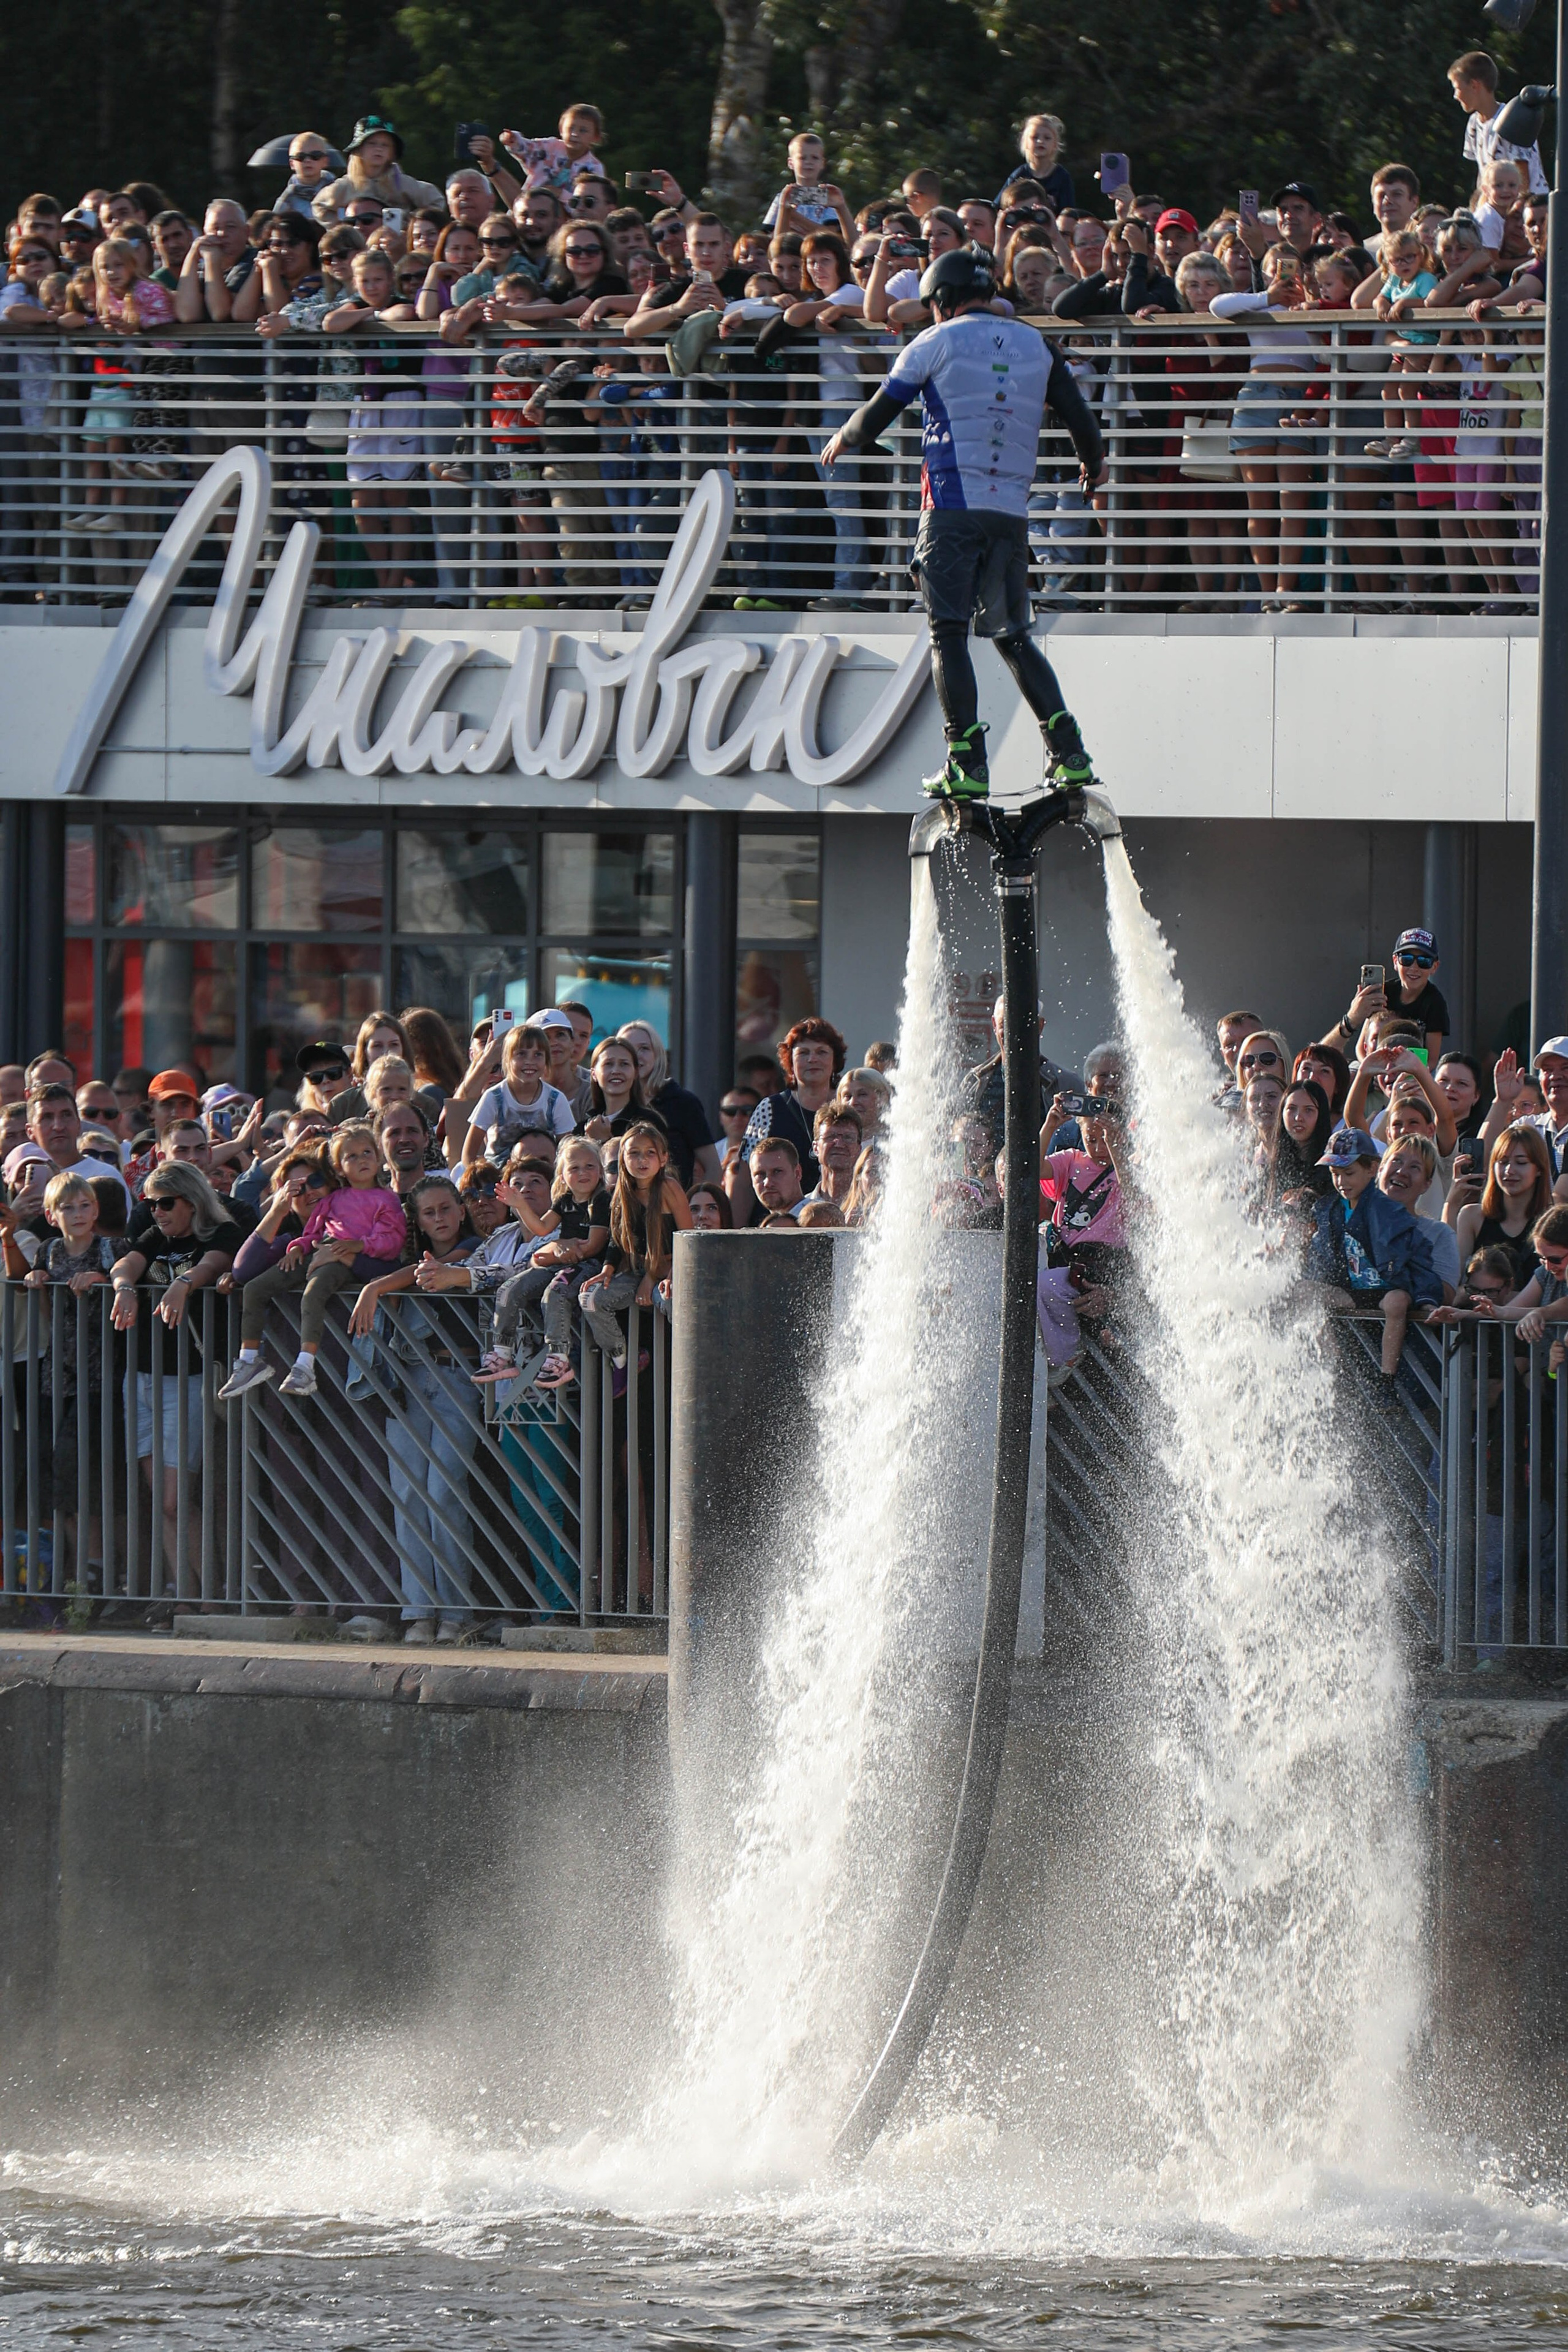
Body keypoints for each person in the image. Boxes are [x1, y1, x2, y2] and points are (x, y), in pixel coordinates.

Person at [821, 244, 1105, 799]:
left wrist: (843, 437)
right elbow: (1082, 421)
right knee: (1014, 637)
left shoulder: (935, 340)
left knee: (948, 633)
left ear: (942, 301)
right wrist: (1092, 469)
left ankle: (965, 761)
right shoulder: (1037, 344)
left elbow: (875, 416)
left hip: (950, 511)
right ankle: (1069, 754)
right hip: (1009, 515)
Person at [347, 1173, 483, 1643]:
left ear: (461, 1210)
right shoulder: (408, 1258)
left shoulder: (475, 1247)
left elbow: (436, 1271)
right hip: (409, 1379)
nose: (440, 1218)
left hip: (459, 1379)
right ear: (419, 1221)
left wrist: (376, 1288)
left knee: (444, 1491)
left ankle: (456, 1613)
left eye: (447, 1208)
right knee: (408, 1494)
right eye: (430, 1212)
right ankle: (419, 1611)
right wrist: (373, 1285)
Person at [108, 1163, 244, 1581]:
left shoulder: (220, 1233)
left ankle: (210, 1593)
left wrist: (184, 1283)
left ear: (191, 1201)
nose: (157, 1212)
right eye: (150, 1204)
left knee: (175, 1499)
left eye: (166, 1203)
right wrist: (125, 1288)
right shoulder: (156, 1236)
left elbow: (216, 1263)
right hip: (143, 1377)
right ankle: (184, 1591)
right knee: (161, 1500)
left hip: (190, 1377)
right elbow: (124, 1265)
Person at [218, 1122, 406, 1399]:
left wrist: (357, 1246)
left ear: (379, 1159)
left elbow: (392, 1241)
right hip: (319, 1252)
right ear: (340, 1168)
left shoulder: (387, 1199)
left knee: (313, 1292)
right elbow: (313, 1233)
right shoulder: (334, 1200)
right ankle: (249, 1360)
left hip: (345, 1259)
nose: (361, 1160)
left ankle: (305, 1366)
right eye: (351, 1156)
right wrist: (296, 1247)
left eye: (367, 1152)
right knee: (255, 1289)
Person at [475, 1136, 612, 1392]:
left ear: (600, 1170)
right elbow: (541, 1228)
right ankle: (502, 1352)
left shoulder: (601, 1200)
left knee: (555, 1293)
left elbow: (593, 1245)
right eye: (574, 1168)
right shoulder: (563, 1201)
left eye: (589, 1166)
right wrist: (519, 1206)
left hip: (589, 1265)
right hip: (562, 1263)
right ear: (563, 1176)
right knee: (509, 1289)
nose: (582, 1173)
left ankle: (559, 1357)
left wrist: (559, 1253)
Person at [1308, 1128, 1442, 1375]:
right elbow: (1320, 1255)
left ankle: (1386, 1376)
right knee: (1304, 1292)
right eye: (1335, 1174)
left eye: (1349, 1173)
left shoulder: (1388, 1211)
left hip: (1385, 1289)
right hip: (1350, 1291)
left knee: (1398, 1301)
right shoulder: (1329, 1210)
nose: (1341, 1182)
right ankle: (1329, 1370)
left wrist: (1426, 1299)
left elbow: (1419, 1256)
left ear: (1372, 1169)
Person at [577, 1123, 690, 1376]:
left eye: (650, 1153)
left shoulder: (669, 1187)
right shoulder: (621, 1192)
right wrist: (607, 1269)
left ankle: (689, 1363)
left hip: (671, 1269)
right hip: (639, 1270)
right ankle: (622, 1359)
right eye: (634, 1153)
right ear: (623, 1159)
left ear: (663, 1159)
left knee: (672, 1300)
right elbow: (618, 1239)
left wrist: (657, 1278)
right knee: (591, 1299)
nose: (642, 1160)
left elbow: (687, 1238)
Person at [731, 1017, 845, 1219]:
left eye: (821, 1052)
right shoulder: (770, 1108)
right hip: (777, 1224)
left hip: (838, 1220)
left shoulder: (848, 1107)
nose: (812, 1059)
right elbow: (744, 1179)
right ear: (790, 1061)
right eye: (803, 1053)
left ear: (835, 1060)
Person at [958, 996, 1078, 1163]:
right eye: (1004, 1025)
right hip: (986, 1184)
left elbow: (1079, 1149)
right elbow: (959, 1143)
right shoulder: (974, 1082)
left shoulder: (1065, 1084)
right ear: (994, 1025)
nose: (1014, 1033)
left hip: (1042, 1183)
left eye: (1024, 1025)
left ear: (1040, 1027)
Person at [1447, 1123, 1556, 1289]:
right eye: (1503, 1162)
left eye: (1521, 1163)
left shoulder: (1552, 1223)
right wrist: (1452, 1203)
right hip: (1474, 1313)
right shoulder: (1472, 1216)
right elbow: (1453, 1278)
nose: (1509, 1171)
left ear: (1539, 1169)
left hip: (1529, 1314)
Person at [615, 1022, 719, 1189]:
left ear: (657, 1055)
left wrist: (694, 1207)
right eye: (629, 1049)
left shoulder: (683, 1102)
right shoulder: (612, 1102)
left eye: (644, 1049)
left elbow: (713, 1167)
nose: (636, 1056)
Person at [459, 1023, 576, 1166]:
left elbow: (567, 1151)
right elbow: (469, 1152)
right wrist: (478, 1181)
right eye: (521, 1054)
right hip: (498, 1176)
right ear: (507, 1059)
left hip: (542, 1177)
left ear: (546, 1060)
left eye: (538, 1055)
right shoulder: (494, 1097)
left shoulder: (556, 1099)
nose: (529, 1062)